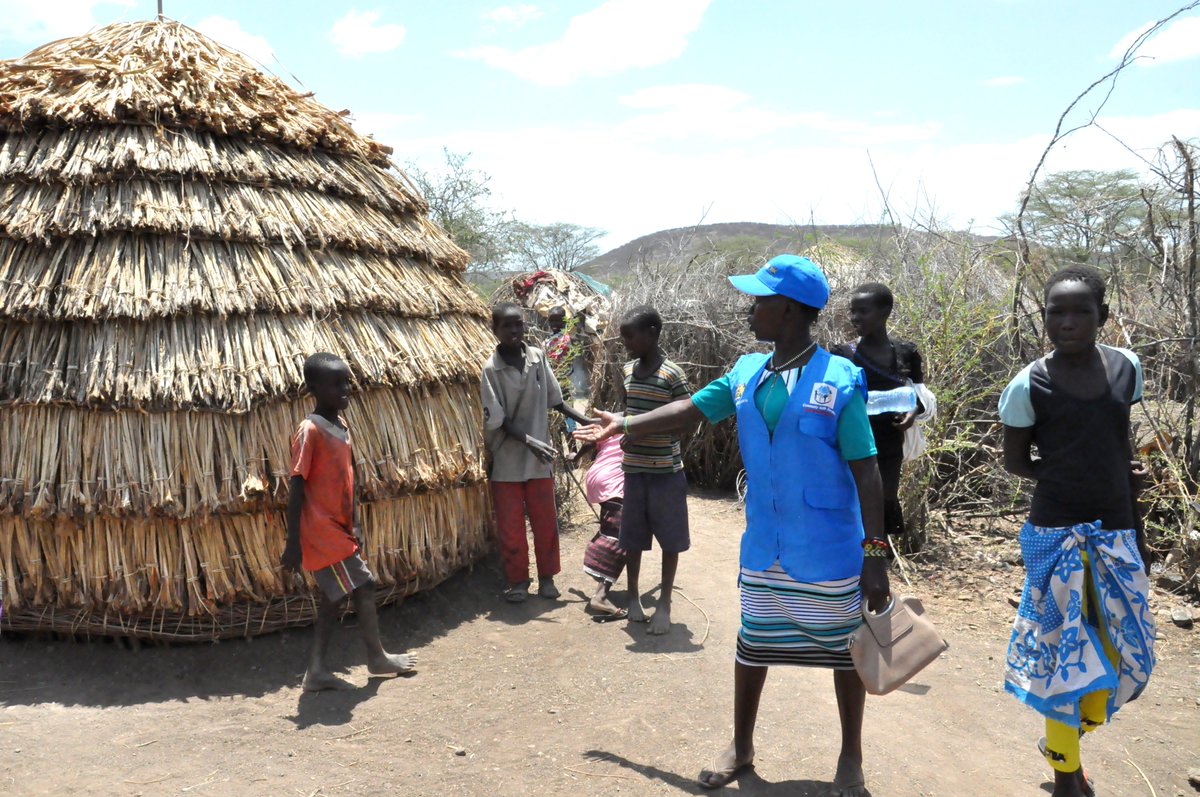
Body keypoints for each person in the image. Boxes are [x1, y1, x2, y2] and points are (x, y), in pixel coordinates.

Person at [576, 255, 888, 795]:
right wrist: (624, 422)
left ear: (788, 310)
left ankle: (850, 758)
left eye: (759, 300)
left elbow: (868, 472)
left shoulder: (839, 380)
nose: (750, 308)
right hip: (765, 545)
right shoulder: (747, 372)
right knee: (753, 646)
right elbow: (688, 411)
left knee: (843, 653)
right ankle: (742, 747)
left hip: (828, 548)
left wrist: (875, 554)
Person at [999, 265, 1156, 797]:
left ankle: (1067, 738)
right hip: (1057, 531)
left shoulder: (1126, 368)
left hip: (1116, 525)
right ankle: (1066, 770)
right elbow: (1016, 462)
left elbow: (1118, 439)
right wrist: (1070, 474)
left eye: (1080, 311)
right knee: (1062, 656)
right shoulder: (1028, 383)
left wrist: (1126, 491)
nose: (1066, 322)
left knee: (1121, 652)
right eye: (1055, 312)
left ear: (1103, 317)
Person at [281, 352, 417, 691]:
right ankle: (376, 657)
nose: (345, 389)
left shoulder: (341, 426)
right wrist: (293, 542)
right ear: (313, 388)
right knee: (364, 585)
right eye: (335, 384)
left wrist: (353, 520)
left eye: (346, 382)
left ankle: (316, 671)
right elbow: (296, 486)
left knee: (333, 597)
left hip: (338, 527)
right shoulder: (310, 430)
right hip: (321, 529)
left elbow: (348, 478)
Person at [481, 302, 594, 603]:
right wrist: (530, 440)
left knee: (545, 521)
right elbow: (497, 419)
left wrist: (588, 421)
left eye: (519, 324)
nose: (515, 330)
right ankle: (518, 581)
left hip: (538, 459)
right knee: (512, 527)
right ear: (495, 330)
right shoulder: (491, 369)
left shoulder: (537, 357)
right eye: (507, 325)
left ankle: (547, 578)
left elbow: (556, 400)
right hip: (507, 460)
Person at [616, 306, 692, 635]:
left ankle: (664, 603)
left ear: (652, 333)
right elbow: (627, 414)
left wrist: (640, 433)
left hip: (666, 472)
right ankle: (633, 597)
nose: (627, 343)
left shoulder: (672, 375)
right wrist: (624, 437)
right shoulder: (627, 371)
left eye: (631, 336)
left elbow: (686, 421)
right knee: (633, 538)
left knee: (670, 540)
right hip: (634, 472)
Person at [832, 283, 926, 546]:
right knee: (850, 506)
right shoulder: (843, 355)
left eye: (863, 311)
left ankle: (875, 572)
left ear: (885, 311)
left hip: (888, 448)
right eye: (853, 311)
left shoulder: (907, 353)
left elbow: (922, 397)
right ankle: (847, 578)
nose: (855, 318)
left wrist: (913, 411)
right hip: (850, 445)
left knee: (880, 508)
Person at [577, 433, 628, 619]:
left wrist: (575, 457)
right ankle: (601, 596)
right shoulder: (639, 421)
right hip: (616, 482)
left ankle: (598, 569)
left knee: (610, 530)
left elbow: (591, 440)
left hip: (600, 478)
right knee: (618, 540)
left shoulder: (612, 423)